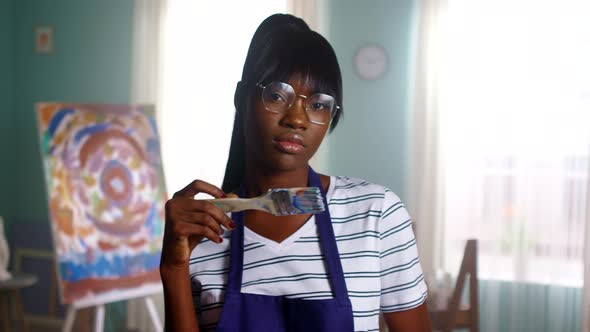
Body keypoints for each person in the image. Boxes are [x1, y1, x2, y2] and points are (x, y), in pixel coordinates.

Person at [160, 13, 432, 332]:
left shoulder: (375, 214)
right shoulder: (202, 232)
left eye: (318, 104)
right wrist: (174, 267)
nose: (297, 119)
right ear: (241, 97)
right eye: (277, 95)